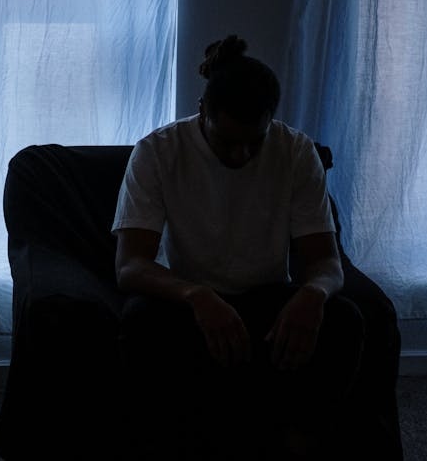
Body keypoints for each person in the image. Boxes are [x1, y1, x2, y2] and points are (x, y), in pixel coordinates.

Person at [111, 35, 365, 460]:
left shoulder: (296, 151)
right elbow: (130, 265)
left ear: (270, 121)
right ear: (202, 112)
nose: (241, 154)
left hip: (266, 298)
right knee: (140, 322)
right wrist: (196, 295)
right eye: (227, 140)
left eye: (254, 141)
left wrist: (314, 293)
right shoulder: (156, 152)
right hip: (188, 300)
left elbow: (326, 261)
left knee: (346, 320)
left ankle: (298, 439)